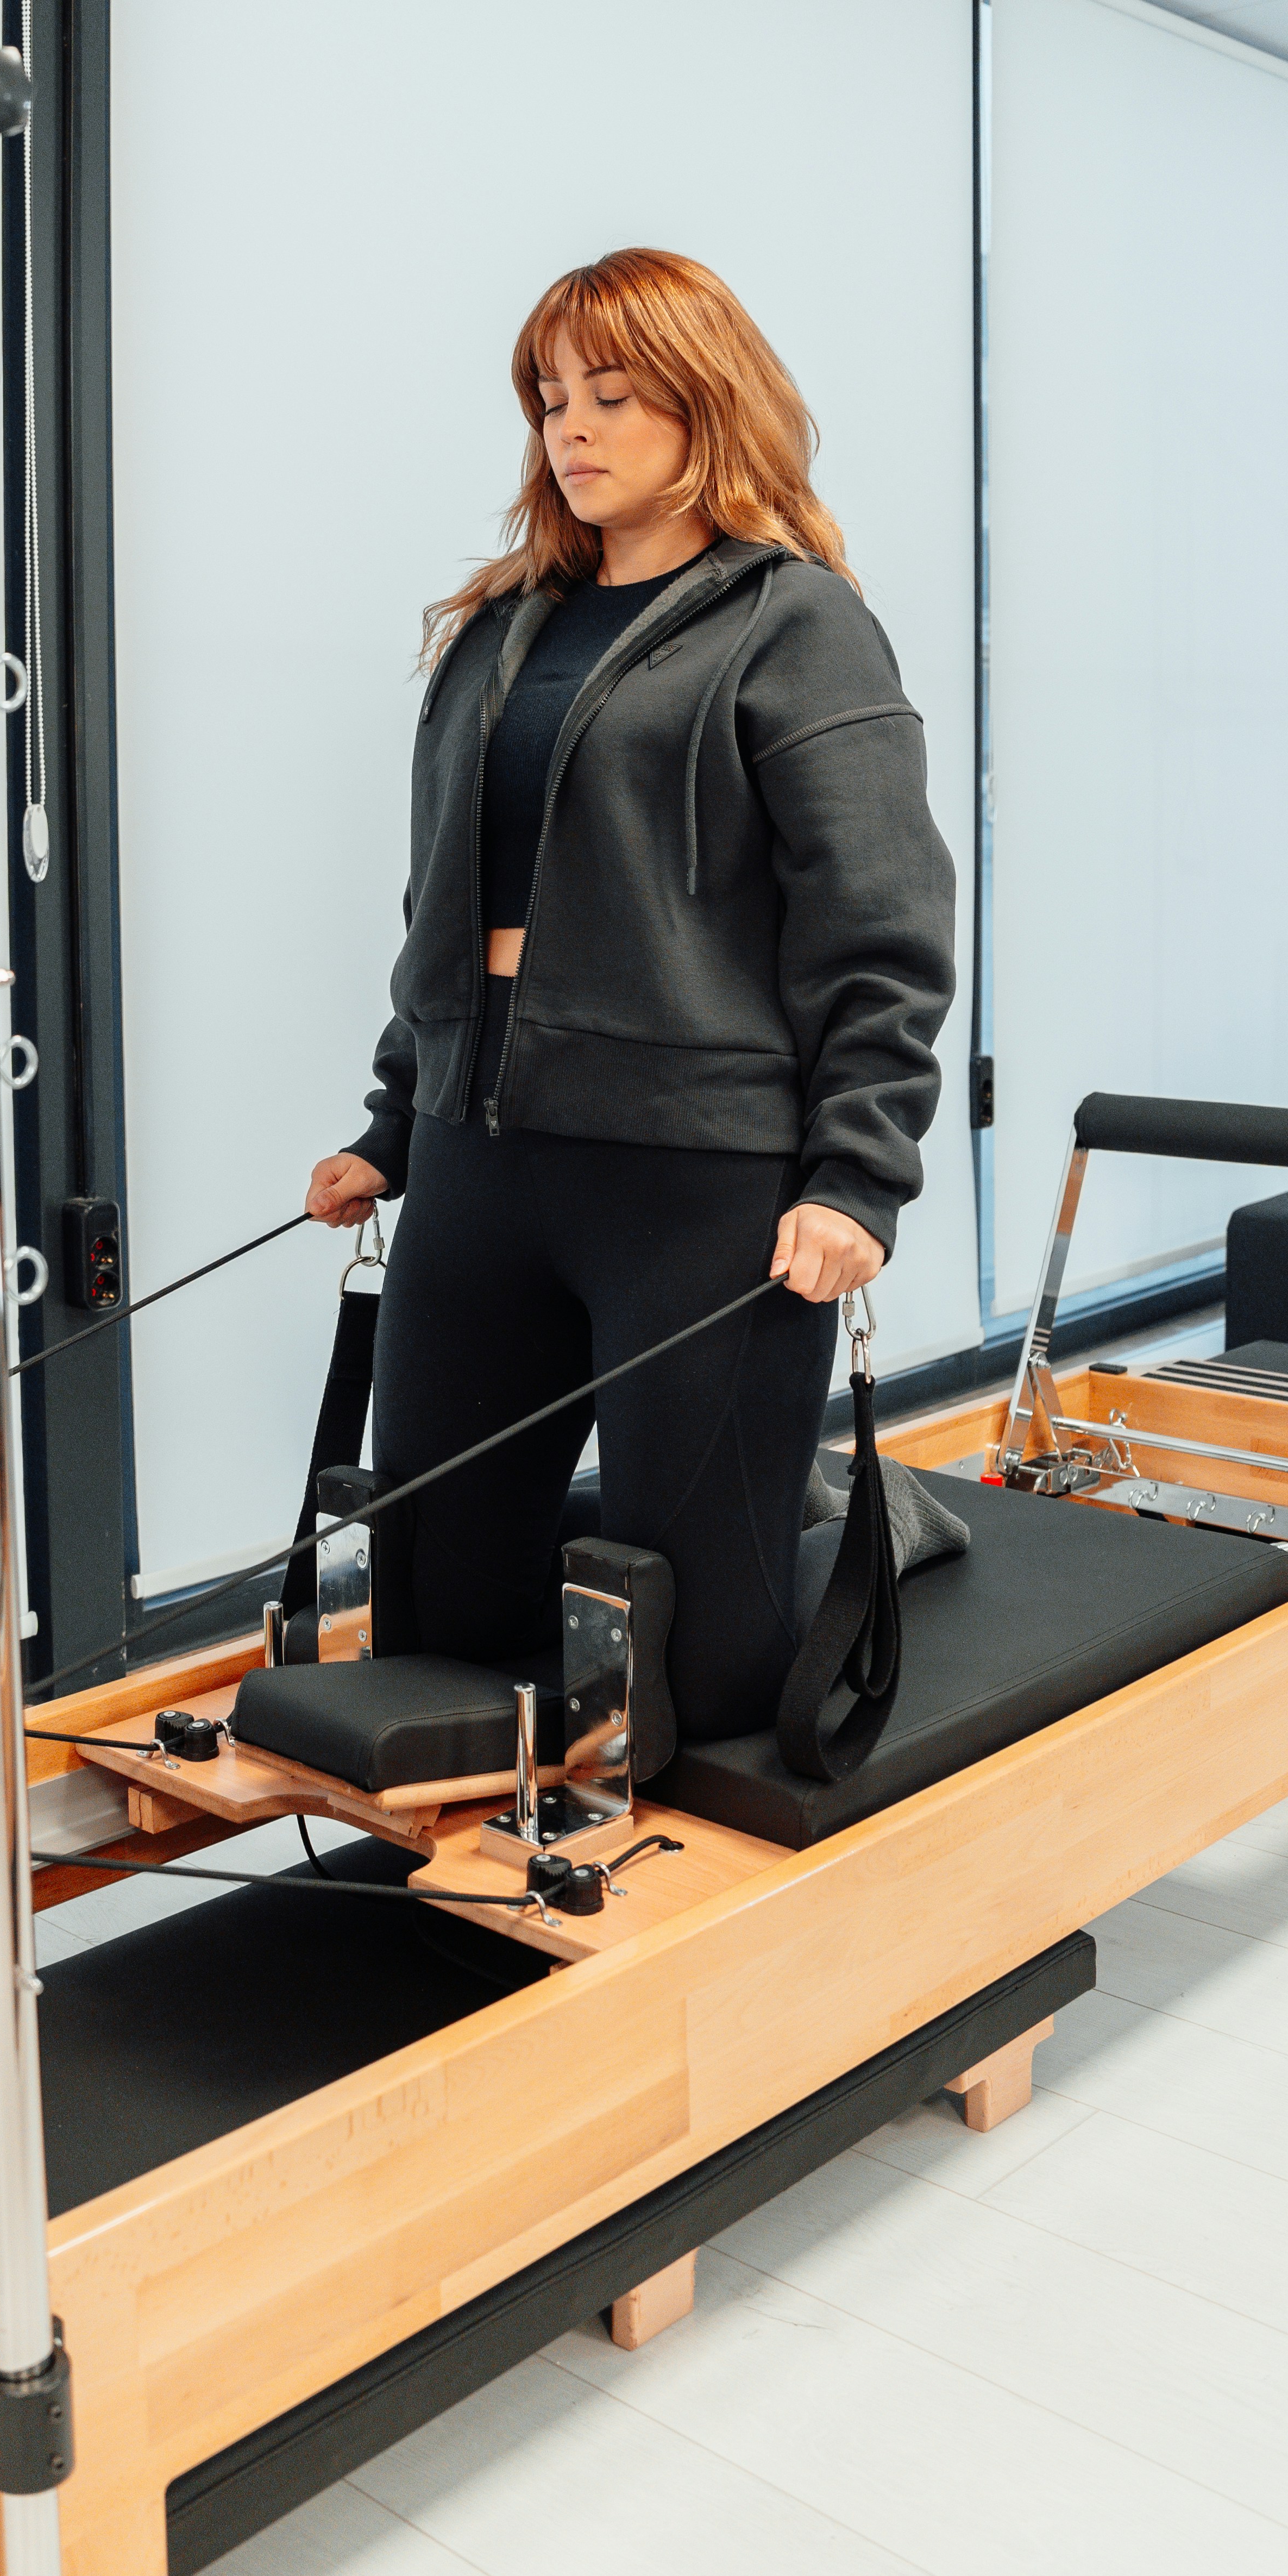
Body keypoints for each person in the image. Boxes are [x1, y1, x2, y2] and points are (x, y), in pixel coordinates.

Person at [304, 246, 957, 1746]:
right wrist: (394, 1123)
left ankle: (882, 1521)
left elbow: (883, 919)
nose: (570, 429)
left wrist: (860, 1175)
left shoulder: (794, 621)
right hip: (485, 1164)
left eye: (611, 395)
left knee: (712, 1651)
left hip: (697, 1183)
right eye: (550, 400)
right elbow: (444, 911)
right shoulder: (498, 630)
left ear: (706, 406)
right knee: (441, 1591)